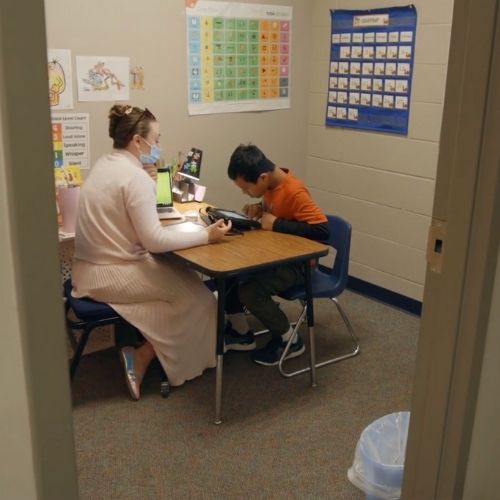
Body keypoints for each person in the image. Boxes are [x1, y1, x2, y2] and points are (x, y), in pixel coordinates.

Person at [71, 104, 231, 399]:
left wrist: (148, 179)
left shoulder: (105, 165)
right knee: (202, 301)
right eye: (155, 140)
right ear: (137, 141)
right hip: (113, 272)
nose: (158, 147)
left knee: (181, 293)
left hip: (89, 270)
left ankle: (141, 353)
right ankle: (143, 356)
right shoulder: (134, 179)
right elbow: (155, 241)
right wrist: (205, 235)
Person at [224, 144, 330, 366]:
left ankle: (290, 340)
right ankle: (241, 333)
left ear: (262, 177)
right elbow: (281, 213)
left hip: (300, 265)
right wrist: (259, 209)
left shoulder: (294, 191)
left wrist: (277, 224)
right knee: (230, 273)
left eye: (246, 189)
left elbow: (322, 231)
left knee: (250, 292)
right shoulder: (271, 186)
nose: (245, 193)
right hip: (277, 255)